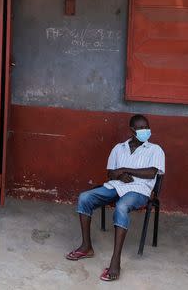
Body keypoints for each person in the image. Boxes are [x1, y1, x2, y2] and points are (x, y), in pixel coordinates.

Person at [65, 114, 165, 282]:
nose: (145, 131)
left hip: (139, 191)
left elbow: (152, 172)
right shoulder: (119, 148)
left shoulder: (155, 149)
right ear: (132, 130)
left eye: (146, 127)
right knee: (84, 198)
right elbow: (111, 173)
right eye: (140, 128)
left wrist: (126, 170)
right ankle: (86, 247)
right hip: (116, 186)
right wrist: (119, 176)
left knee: (121, 207)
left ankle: (115, 261)